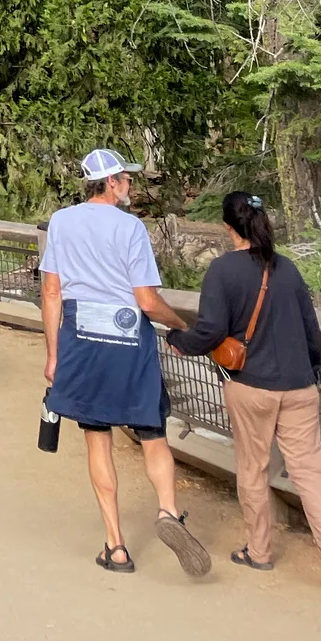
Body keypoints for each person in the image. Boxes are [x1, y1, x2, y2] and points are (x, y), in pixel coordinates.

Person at [167, 191, 321, 591]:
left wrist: (180, 340)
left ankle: (259, 551)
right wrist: (310, 372)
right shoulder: (286, 268)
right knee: (310, 472)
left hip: (250, 387)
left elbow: (212, 330)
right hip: (299, 385)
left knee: (253, 469)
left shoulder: (222, 270)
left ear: (227, 227)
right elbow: (310, 333)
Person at [41, 148, 210, 578]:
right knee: (152, 430)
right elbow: (147, 301)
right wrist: (180, 324)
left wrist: (53, 355)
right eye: (127, 179)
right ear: (111, 182)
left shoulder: (62, 221)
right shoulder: (131, 228)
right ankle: (169, 512)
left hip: (82, 336)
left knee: (97, 437)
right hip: (127, 335)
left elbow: (52, 293)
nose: (131, 185)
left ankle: (115, 546)